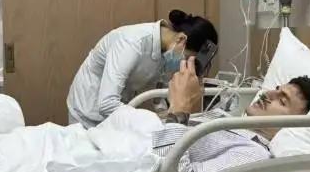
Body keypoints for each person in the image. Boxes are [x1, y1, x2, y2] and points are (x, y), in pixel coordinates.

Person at [149, 57, 310, 172]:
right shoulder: (225, 118)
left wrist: (179, 109)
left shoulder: (253, 154)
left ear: (293, 125)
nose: (267, 94)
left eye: (282, 101)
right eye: (276, 89)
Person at [67, 10, 219, 127]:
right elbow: (106, 104)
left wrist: (166, 117)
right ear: (181, 39)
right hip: (88, 112)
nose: (184, 64)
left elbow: (160, 93)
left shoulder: (167, 52)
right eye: (187, 58)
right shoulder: (132, 43)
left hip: (117, 113)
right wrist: (150, 120)